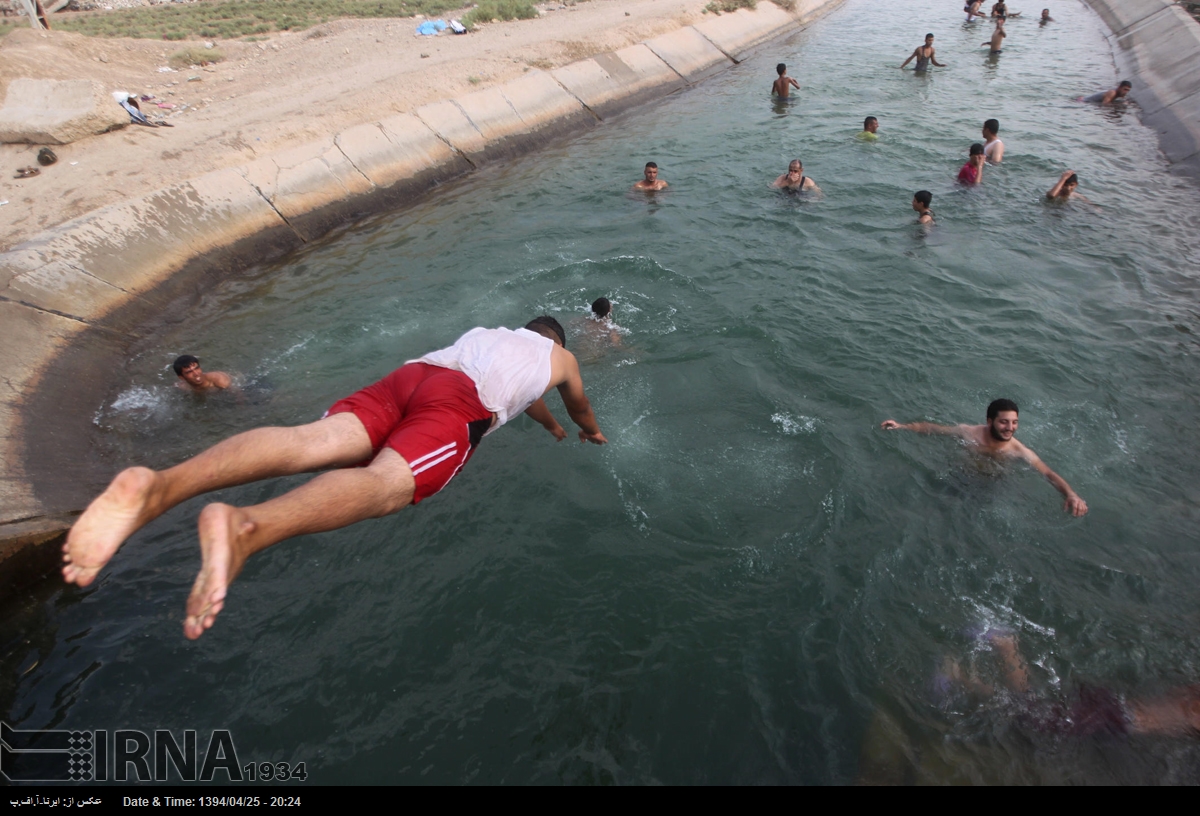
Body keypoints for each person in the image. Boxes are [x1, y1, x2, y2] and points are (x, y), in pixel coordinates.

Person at [62, 318, 609, 639]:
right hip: (461, 406)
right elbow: (576, 404)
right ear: (558, 341)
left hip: (413, 375)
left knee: (308, 442)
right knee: (386, 484)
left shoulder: (489, 333)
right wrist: (587, 432)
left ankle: (161, 486)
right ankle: (248, 528)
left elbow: (527, 399)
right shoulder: (561, 360)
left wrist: (549, 426)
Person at [880, 398, 1088, 515]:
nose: (1010, 428)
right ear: (990, 421)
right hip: (958, 477)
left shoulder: (1018, 451)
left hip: (990, 487)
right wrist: (903, 427)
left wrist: (1071, 494)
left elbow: (1049, 474)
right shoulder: (968, 432)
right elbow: (933, 428)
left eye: (1014, 422)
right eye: (1004, 422)